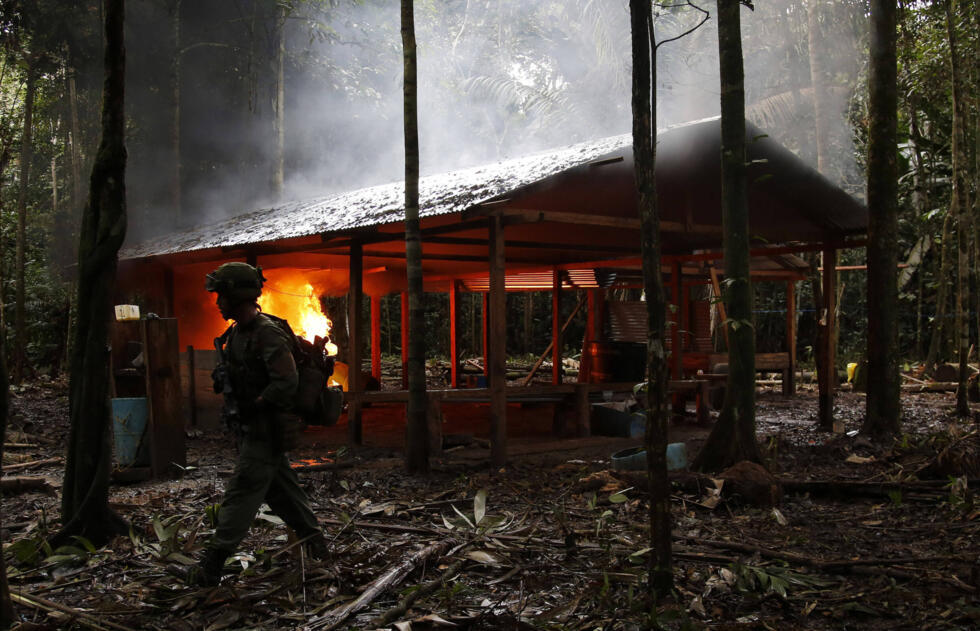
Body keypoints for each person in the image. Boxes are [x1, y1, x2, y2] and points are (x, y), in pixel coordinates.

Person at [183, 262, 326, 586]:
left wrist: (256, 404)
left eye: (222, 295)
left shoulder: (267, 333)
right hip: (254, 429)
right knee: (284, 493)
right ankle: (318, 548)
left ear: (240, 296)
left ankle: (210, 567)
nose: (217, 303)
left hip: (267, 429)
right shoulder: (237, 335)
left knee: (241, 493)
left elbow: (287, 382)